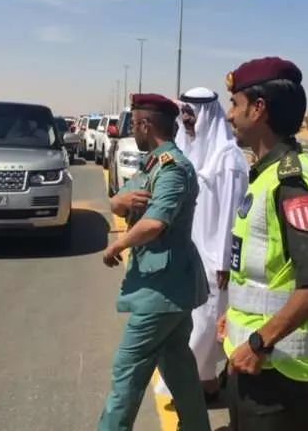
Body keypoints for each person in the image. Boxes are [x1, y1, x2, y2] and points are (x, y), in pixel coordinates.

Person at [216, 56, 308, 431]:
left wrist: (260, 342)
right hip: (253, 362)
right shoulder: (266, 175)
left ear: (259, 109)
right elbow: (266, 270)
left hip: (276, 373)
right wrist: (237, 314)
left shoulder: (291, 183)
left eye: (235, 105)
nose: (229, 115)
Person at [98, 93, 211, 431]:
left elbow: (154, 223)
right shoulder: (153, 164)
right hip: (165, 284)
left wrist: (116, 246)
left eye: (134, 124)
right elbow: (120, 201)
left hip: (163, 286)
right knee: (177, 364)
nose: (133, 131)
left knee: (127, 368)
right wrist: (119, 200)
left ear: (147, 124)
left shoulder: (173, 169)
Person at [154, 87, 249, 403]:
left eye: (192, 114)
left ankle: (182, 388)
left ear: (207, 114)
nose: (187, 121)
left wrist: (224, 260)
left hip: (213, 260)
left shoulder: (229, 158)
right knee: (192, 325)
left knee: (204, 325)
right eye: (184, 114)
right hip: (187, 252)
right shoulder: (186, 148)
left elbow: (232, 214)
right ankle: (206, 384)